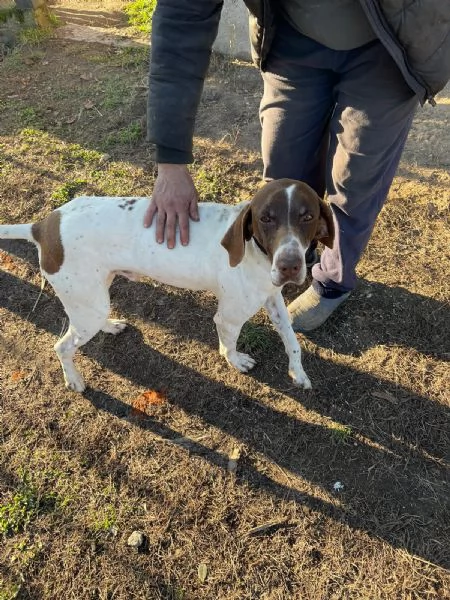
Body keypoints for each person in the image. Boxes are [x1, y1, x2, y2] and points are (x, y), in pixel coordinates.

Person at [145, 1, 450, 331]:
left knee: (354, 183)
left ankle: (332, 282)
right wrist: (171, 161)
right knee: (282, 173)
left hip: (392, 45)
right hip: (294, 36)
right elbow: (182, 16)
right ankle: (290, 253)